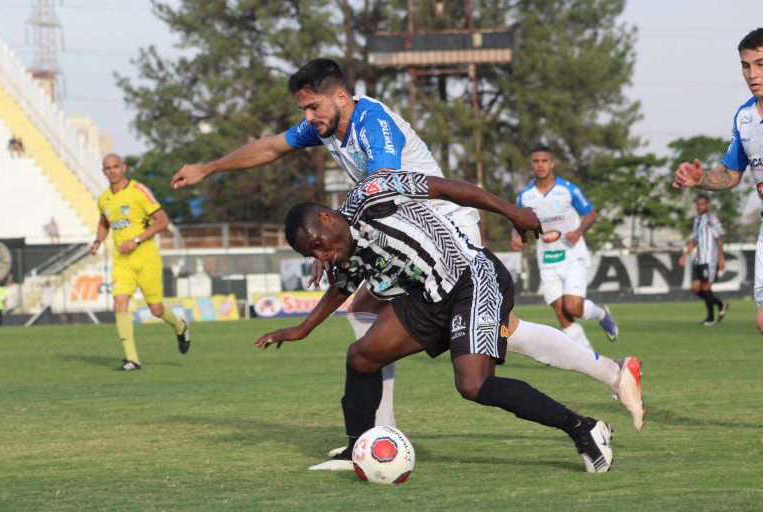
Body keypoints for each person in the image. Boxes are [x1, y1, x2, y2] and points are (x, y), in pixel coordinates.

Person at [171, 58, 645, 435]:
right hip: (406, 233)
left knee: (405, 319)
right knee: (494, 329)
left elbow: (384, 186)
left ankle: (380, 433)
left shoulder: (372, 121)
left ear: (340, 96)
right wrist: (209, 168)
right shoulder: (326, 127)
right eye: (303, 110)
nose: (307, 117)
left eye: (313, 107)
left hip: (444, 227)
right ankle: (613, 375)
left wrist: (335, 240)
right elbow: (272, 147)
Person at [256, 170, 616, 473]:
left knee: (473, 385)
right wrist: (302, 329)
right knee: (362, 357)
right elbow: (341, 287)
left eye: (319, 245)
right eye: (313, 255)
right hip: (428, 296)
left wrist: (511, 211)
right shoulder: (343, 250)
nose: (323, 255)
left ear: (327, 218)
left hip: (472, 279)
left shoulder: (373, 193)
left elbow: (444, 188)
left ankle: (583, 427)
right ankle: (357, 450)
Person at [672, 27, 763, 333]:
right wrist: (700, 178)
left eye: (760, 64)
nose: (752, 74)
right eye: (746, 66)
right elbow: (731, 175)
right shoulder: (744, 117)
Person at [91, 153, 192, 371]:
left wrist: (135, 240)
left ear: (124, 167)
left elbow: (162, 221)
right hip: (121, 261)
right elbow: (103, 223)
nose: (112, 171)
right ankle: (132, 359)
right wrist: (98, 241)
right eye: (107, 168)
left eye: (115, 166)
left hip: (145, 258)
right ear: (103, 171)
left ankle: (180, 326)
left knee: (156, 309)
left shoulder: (139, 191)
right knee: (119, 304)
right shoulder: (104, 199)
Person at [512, 144, 618, 350]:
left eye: (544, 161)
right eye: (536, 161)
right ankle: (588, 355)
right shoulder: (524, 196)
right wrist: (516, 235)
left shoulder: (568, 190)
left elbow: (591, 213)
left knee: (573, 307)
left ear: (552, 164)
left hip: (572, 256)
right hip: (547, 259)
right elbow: (517, 221)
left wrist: (578, 232)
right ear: (531, 164)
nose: (540, 165)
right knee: (560, 311)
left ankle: (601, 313)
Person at [678, 194, 729, 326]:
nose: (699, 207)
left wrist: (721, 257)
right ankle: (721, 304)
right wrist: (685, 255)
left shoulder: (711, 218)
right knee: (695, 288)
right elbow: (694, 239)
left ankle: (710, 318)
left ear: (707, 205)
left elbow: (720, 237)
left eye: (702, 204)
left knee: (706, 288)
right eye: (697, 204)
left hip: (709, 259)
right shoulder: (697, 220)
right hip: (699, 259)